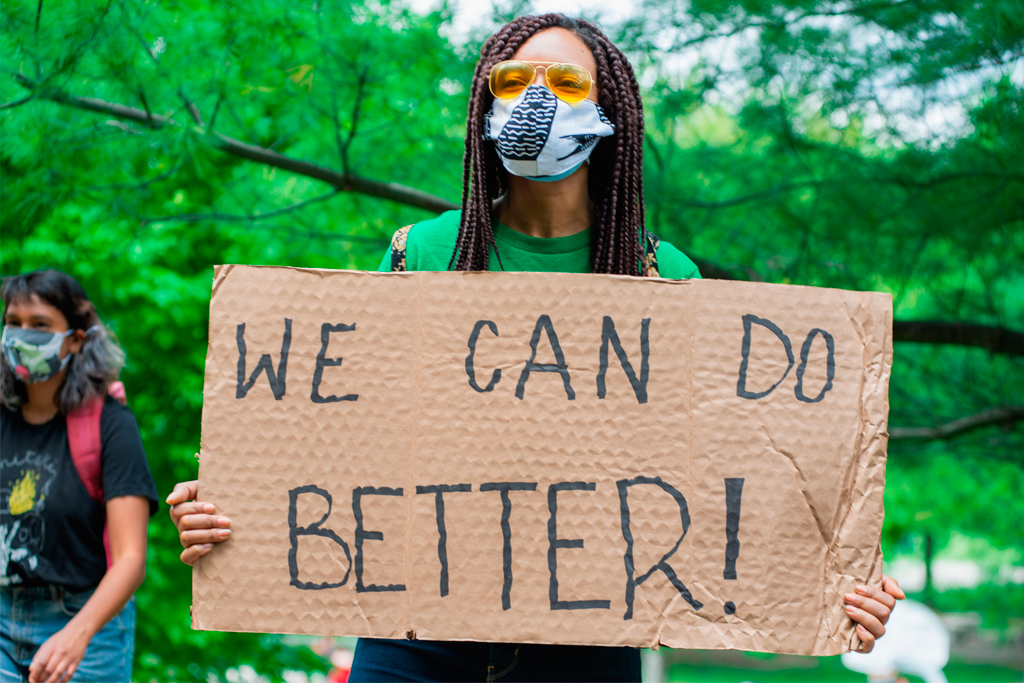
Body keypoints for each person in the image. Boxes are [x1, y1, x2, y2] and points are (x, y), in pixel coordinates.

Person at [167, 13, 905, 682]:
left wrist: (832, 577)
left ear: (608, 109)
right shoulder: (422, 252)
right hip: (414, 634)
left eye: (566, 82)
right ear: (485, 106)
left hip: (587, 642)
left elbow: (727, 467)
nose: (537, 100)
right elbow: (344, 436)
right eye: (514, 81)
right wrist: (240, 502)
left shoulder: (664, 276)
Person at [1, 270, 158, 683]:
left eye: (39, 325)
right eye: (13, 322)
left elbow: (131, 560)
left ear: (75, 339)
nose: (21, 335)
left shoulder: (111, 425)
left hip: (87, 623)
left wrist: (78, 634)